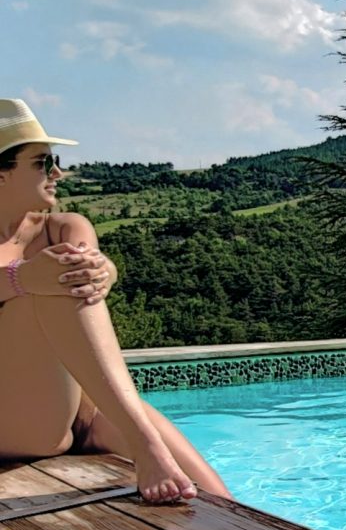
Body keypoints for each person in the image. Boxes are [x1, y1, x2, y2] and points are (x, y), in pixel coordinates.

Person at [0, 98, 229, 503]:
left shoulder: (63, 227)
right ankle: (143, 443)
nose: (58, 172)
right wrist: (21, 279)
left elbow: (87, 268)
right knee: (53, 282)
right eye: (41, 162)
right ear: (1, 172)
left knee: (220, 500)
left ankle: (143, 441)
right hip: (14, 424)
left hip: (78, 412)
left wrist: (105, 269)